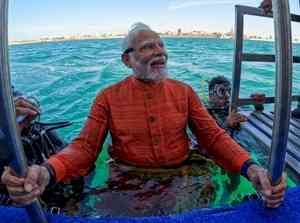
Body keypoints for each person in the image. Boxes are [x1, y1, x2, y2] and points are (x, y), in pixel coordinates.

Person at [1, 23, 286, 210]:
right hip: (128, 179)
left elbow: (213, 137)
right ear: (127, 59)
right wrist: (48, 171)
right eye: (148, 47)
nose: (159, 51)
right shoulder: (107, 97)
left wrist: (251, 169)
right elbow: (85, 148)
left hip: (184, 172)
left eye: (161, 45)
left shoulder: (184, 92)